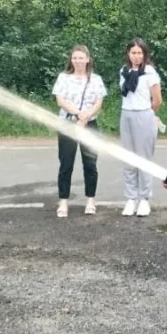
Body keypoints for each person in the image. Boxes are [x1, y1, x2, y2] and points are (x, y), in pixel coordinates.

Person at [51, 45, 107, 218]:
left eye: (81, 58)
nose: (78, 61)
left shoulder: (96, 79)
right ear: (71, 60)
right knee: (66, 164)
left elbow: (98, 102)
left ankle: (90, 199)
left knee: (90, 164)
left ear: (88, 59)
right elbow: (60, 100)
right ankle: (63, 201)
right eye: (75, 58)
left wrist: (86, 116)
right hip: (68, 123)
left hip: (89, 124)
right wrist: (77, 114)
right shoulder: (63, 77)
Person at [119, 37, 163, 217]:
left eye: (139, 53)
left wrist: (148, 115)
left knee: (143, 158)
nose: (136, 56)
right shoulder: (123, 71)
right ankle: (131, 197)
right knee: (129, 158)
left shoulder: (150, 72)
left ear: (144, 54)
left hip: (144, 114)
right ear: (128, 54)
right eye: (133, 53)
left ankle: (144, 198)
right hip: (126, 114)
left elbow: (157, 100)